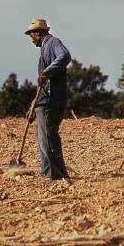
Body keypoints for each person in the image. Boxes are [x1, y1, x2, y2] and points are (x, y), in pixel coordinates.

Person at [24, 18, 71, 180]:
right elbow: (42, 86)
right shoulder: (44, 49)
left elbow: (65, 56)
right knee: (46, 135)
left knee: (47, 137)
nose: (31, 39)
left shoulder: (52, 43)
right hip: (45, 100)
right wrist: (33, 106)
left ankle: (51, 173)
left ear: (37, 33)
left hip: (52, 101)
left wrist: (47, 72)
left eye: (32, 35)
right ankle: (55, 172)